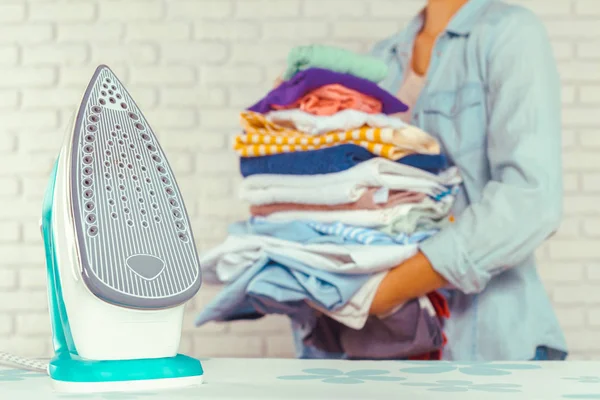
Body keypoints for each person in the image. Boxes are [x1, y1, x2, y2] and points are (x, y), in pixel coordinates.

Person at [366, 0, 568, 361]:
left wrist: (385, 290)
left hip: (492, 346)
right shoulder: (379, 61)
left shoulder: (509, 33)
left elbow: (530, 200)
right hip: (391, 353)